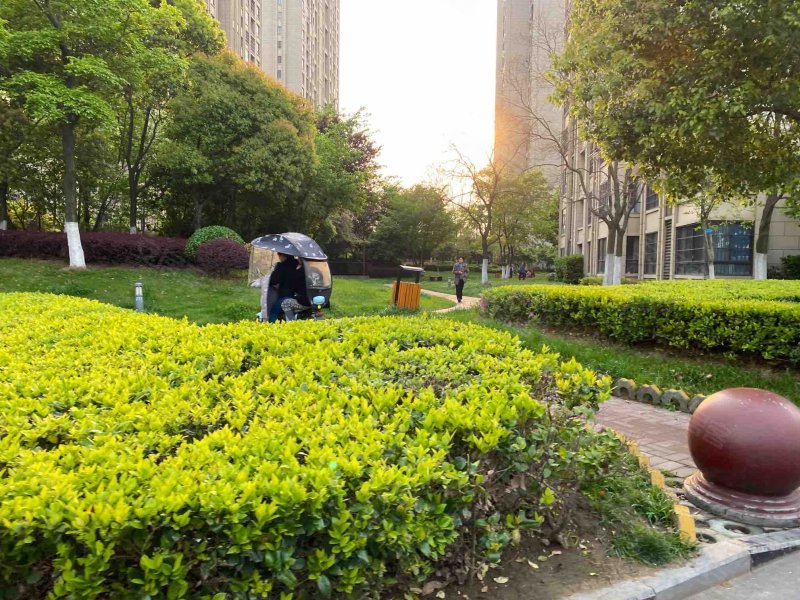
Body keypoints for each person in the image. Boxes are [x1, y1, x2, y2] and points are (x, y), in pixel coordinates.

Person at [268, 252, 308, 323]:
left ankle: (271, 326)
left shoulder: (282, 266)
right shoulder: (300, 266)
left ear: (284, 255)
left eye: (279, 254)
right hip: (304, 298)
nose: (279, 256)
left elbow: (274, 280)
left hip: (291, 297)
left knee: (273, 311)